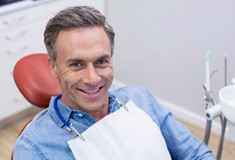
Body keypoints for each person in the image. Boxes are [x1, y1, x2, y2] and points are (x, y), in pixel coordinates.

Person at [13, 6, 216, 160]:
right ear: (54, 66)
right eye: (77, 64)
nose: (92, 78)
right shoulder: (34, 147)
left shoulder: (141, 99)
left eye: (101, 61)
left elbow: (194, 153)